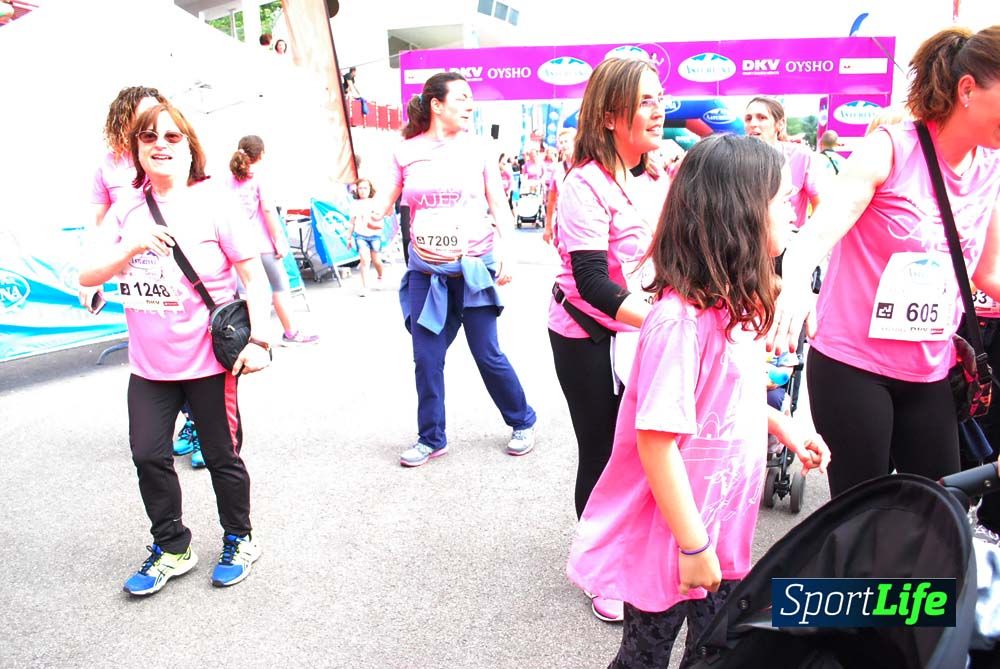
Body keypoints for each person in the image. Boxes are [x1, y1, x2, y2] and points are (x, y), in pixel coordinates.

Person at [567, 134, 830, 668]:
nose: (792, 213)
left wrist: (780, 423)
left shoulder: (734, 309)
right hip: (675, 536)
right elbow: (657, 442)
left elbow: (723, 402)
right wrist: (692, 545)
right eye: (782, 201)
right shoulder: (679, 323)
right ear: (739, 215)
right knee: (645, 655)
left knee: (713, 652)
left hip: (722, 524)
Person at [768, 26, 1000, 499]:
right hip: (853, 366)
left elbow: (986, 271)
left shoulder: (991, 168)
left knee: (938, 511)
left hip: (931, 369)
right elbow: (815, 236)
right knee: (862, 515)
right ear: (967, 89)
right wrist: (794, 286)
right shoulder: (891, 148)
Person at [79, 102, 272, 595]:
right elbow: (87, 275)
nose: (160, 145)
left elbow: (254, 277)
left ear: (190, 148)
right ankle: (172, 547)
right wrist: (130, 246)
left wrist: (260, 339)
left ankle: (239, 538)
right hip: (149, 367)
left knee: (221, 456)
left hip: (208, 360)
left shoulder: (216, 203)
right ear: (137, 149)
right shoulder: (126, 210)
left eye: (171, 137)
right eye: (149, 137)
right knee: (148, 455)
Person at [548, 57, 669, 623]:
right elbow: (593, 282)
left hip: (642, 331)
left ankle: (639, 549)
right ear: (610, 115)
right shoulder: (584, 184)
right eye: (645, 101)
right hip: (587, 336)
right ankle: (602, 571)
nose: (658, 110)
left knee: (650, 450)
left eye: (660, 98)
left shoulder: (657, 176)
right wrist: (666, 322)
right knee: (602, 452)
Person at [366, 71, 537, 467]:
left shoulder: (479, 149)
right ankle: (431, 438)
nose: (469, 105)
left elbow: (499, 205)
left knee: (487, 353)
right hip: (426, 274)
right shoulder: (405, 152)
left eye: (470, 98)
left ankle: (522, 420)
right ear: (436, 104)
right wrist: (373, 214)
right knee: (426, 358)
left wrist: (508, 251)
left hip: (475, 268)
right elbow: (385, 199)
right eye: (461, 98)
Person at [86, 86, 209, 467]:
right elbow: (98, 224)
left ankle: (200, 426)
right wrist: (93, 274)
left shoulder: (170, 148)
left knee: (193, 353)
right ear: (125, 118)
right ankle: (172, 426)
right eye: (145, 115)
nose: (156, 124)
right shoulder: (108, 166)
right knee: (156, 356)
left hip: (186, 274)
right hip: (141, 277)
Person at [228, 135, 318, 344]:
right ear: (261, 154)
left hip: (236, 245)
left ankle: (246, 338)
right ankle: (291, 333)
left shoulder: (227, 180)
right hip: (262, 243)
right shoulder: (259, 178)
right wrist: (279, 240)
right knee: (279, 286)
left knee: (245, 292)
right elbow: (268, 210)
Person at [744, 96, 821, 229]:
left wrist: (808, 236)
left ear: (780, 124)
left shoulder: (800, 156)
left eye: (762, 117)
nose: (753, 123)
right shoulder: (737, 159)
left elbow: (819, 204)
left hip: (791, 239)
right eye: (748, 119)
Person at [346, 177, 384, 296]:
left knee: (376, 261)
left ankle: (380, 276)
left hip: (375, 236)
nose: (362, 191)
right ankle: (365, 287)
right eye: (360, 188)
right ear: (357, 190)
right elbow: (352, 222)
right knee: (364, 260)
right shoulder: (354, 204)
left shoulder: (375, 202)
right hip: (360, 236)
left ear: (370, 189)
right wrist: (349, 238)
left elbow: (382, 217)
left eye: (365, 188)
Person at [543, 127, 576, 244]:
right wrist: (548, 226)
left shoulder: (586, 165)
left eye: (566, 141)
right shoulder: (558, 169)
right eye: (561, 142)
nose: (563, 145)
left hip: (583, 223)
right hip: (563, 221)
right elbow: (551, 200)